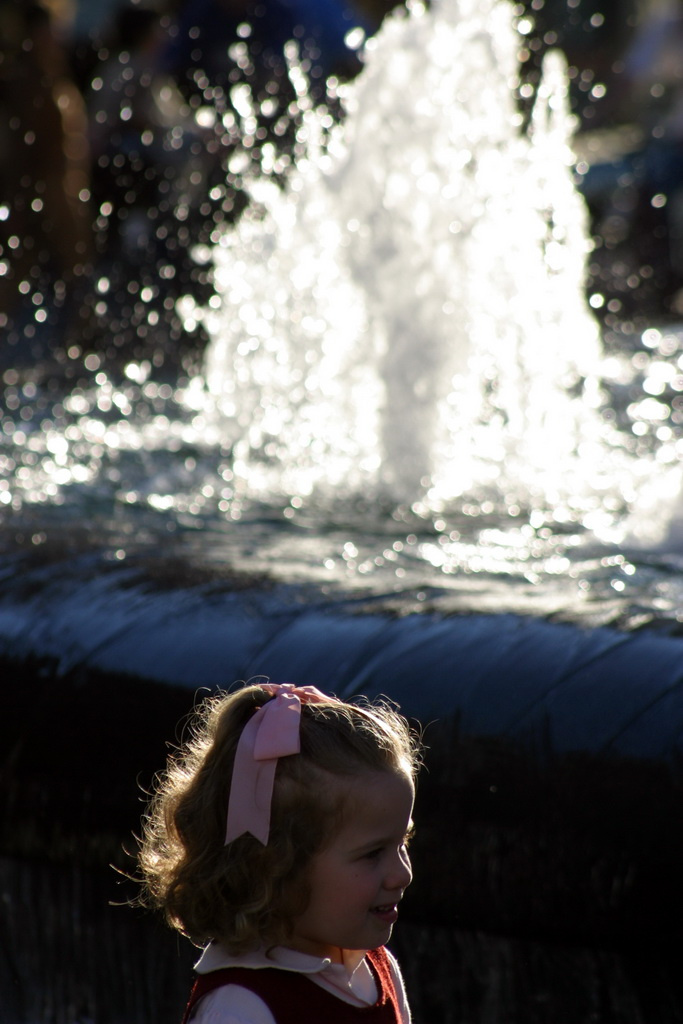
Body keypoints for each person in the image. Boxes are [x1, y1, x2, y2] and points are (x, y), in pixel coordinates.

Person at [137, 680, 421, 1023]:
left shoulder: (376, 968)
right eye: (373, 853)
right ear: (276, 865)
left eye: (402, 842)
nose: (403, 873)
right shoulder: (243, 1007)